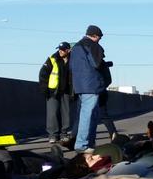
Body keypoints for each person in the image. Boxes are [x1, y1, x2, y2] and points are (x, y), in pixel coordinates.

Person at [70, 25, 107, 153]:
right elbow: (96, 63)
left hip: (79, 84)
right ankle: (82, 144)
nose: (99, 40)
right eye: (99, 37)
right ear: (95, 36)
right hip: (91, 84)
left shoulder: (76, 47)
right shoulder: (91, 45)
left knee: (88, 114)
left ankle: (88, 143)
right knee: (89, 115)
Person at [39, 41, 73, 144]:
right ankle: (53, 135)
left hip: (67, 91)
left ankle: (64, 133)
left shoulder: (73, 60)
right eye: (59, 49)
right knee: (52, 114)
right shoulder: (52, 59)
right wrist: (44, 89)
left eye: (63, 49)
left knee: (66, 114)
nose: (60, 51)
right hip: (52, 91)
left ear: (68, 50)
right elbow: (43, 74)